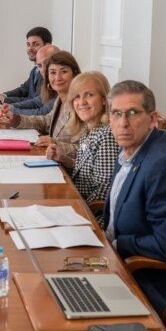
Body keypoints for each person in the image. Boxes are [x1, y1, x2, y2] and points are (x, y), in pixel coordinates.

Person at [101, 80, 166, 312]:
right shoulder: (130, 148)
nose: (123, 123)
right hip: (118, 262)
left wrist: (117, 244)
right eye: (116, 114)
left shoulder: (164, 164)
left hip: (149, 284)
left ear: (153, 119)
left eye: (133, 113)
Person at [45, 71, 118, 221]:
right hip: (78, 207)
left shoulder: (107, 135)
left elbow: (104, 190)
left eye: (89, 95)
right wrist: (63, 158)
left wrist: (74, 211)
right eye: (77, 97)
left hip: (93, 219)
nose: (82, 102)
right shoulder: (88, 129)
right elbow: (86, 175)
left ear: (104, 100)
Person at [0, 50, 81, 165]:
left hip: (70, 173)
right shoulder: (60, 99)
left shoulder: (81, 104)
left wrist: (56, 144)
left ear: (75, 74)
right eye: (52, 72)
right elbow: (46, 121)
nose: (57, 77)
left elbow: (86, 149)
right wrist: (16, 119)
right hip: (53, 164)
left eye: (63, 72)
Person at [0, 26, 52, 104]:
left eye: (35, 44)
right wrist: (3, 95)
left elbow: (35, 102)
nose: (30, 48)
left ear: (47, 46)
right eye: (28, 44)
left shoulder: (50, 72)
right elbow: (23, 90)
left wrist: (3, 99)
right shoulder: (35, 70)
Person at [0, 44, 60, 117]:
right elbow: (36, 102)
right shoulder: (49, 84)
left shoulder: (61, 85)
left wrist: (12, 110)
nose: (43, 69)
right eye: (39, 66)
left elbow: (43, 112)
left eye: (46, 63)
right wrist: (10, 106)